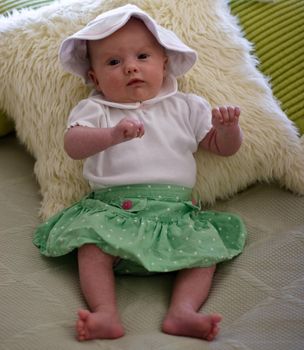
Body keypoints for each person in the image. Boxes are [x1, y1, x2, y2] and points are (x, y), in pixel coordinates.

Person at [33, 4, 247, 342]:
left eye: (143, 56)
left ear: (164, 62)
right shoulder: (96, 108)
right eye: (114, 62)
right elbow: (73, 144)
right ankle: (105, 313)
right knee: (91, 248)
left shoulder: (187, 106)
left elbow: (223, 148)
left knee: (207, 251)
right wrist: (112, 135)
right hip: (113, 212)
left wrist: (227, 129)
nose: (131, 67)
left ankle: (183, 311)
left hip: (174, 215)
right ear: (94, 78)